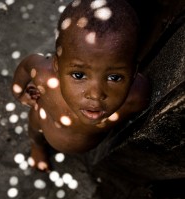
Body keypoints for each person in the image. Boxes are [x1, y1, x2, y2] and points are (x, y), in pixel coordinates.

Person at [11, 0, 150, 171]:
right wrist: (19, 93)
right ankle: (37, 147)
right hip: (42, 122)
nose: (96, 94)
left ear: (134, 72)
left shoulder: (136, 97)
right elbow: (27, 65)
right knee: (34, 131)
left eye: (114, 77)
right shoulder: (43, 76)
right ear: (56, 65)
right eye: (78, 75)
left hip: (89, 142)